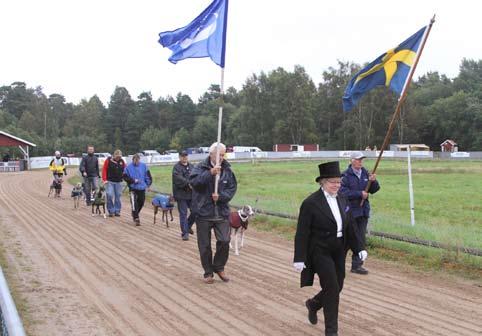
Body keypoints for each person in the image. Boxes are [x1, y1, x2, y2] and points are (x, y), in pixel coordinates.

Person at [293, 161, 367, 336]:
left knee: (337, 285)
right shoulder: (310, 203)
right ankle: (331, 332)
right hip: (319, 250)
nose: (337, 185)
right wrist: (299, 257)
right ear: (322, 182)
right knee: (332, 288)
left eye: (339, 181)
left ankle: (314, 304)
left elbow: (351, 226)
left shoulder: (342, 198)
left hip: (339, 249)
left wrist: (359, 247)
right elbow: (302, 232)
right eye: (333, 182)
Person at [189, 142, 237, 284]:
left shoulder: (227, 169)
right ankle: (208, 272)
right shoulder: (200, 167)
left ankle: (219, 266)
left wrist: (221, 197)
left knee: (224, 240)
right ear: (211, 154)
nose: (221, 158)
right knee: (204, 245)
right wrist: (210, 173)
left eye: (223, 155)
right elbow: (194, 183)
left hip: (221, 212)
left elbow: (232, 188)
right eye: (219, 155)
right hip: (203, 211)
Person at [340, 151, 380, 275]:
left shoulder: (366, 173)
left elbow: (374, 190)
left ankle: (357, 265)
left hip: (363, 211)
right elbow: (342, 192)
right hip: (350, 212)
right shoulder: (345, 176)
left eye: (361, 159)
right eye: (358, 159)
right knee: (347, 240)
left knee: (360, 239)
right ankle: (339, 264)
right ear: (351, 161)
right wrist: (359, 194)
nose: (360, 162)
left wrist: (373, 181)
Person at [123, 154, 152, 226]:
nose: (137, 162)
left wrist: (148, 184)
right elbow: (125, 177)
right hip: (133, 188)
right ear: (133, 160)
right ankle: (136, 218)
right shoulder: (128, 168)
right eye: (135, 160)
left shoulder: (144, 166)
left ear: (139, 160)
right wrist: (133, 180)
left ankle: (134, 213)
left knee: (141, 202)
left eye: (138, 160)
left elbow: (148, 176)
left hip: (142, 188)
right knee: (134, 203)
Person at [172, 150, 194, 240]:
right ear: (179, 157)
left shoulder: (192, 166)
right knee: (183, 214)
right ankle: (185, 233)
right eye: (182, 156)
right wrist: (188, 183)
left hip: (192, 194)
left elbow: (196, 176)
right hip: (181, 194)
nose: (184, 157)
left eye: (186, 156)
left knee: (196, 211)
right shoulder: (176, 167)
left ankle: (188, 226)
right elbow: (178, 179)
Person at [102, 149, 126, 217]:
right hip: (110, 181)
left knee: (118, 196)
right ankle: (111, 210)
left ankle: (117, 211)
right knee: (109, 195)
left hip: (119, 182)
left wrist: (126, 177)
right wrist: (104, 179)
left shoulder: (122, 161)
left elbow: (125, 169)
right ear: (114, 155)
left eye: (120, 156)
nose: (118, 158)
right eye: (117, 156)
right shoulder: (108, 160)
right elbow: (104, 169)